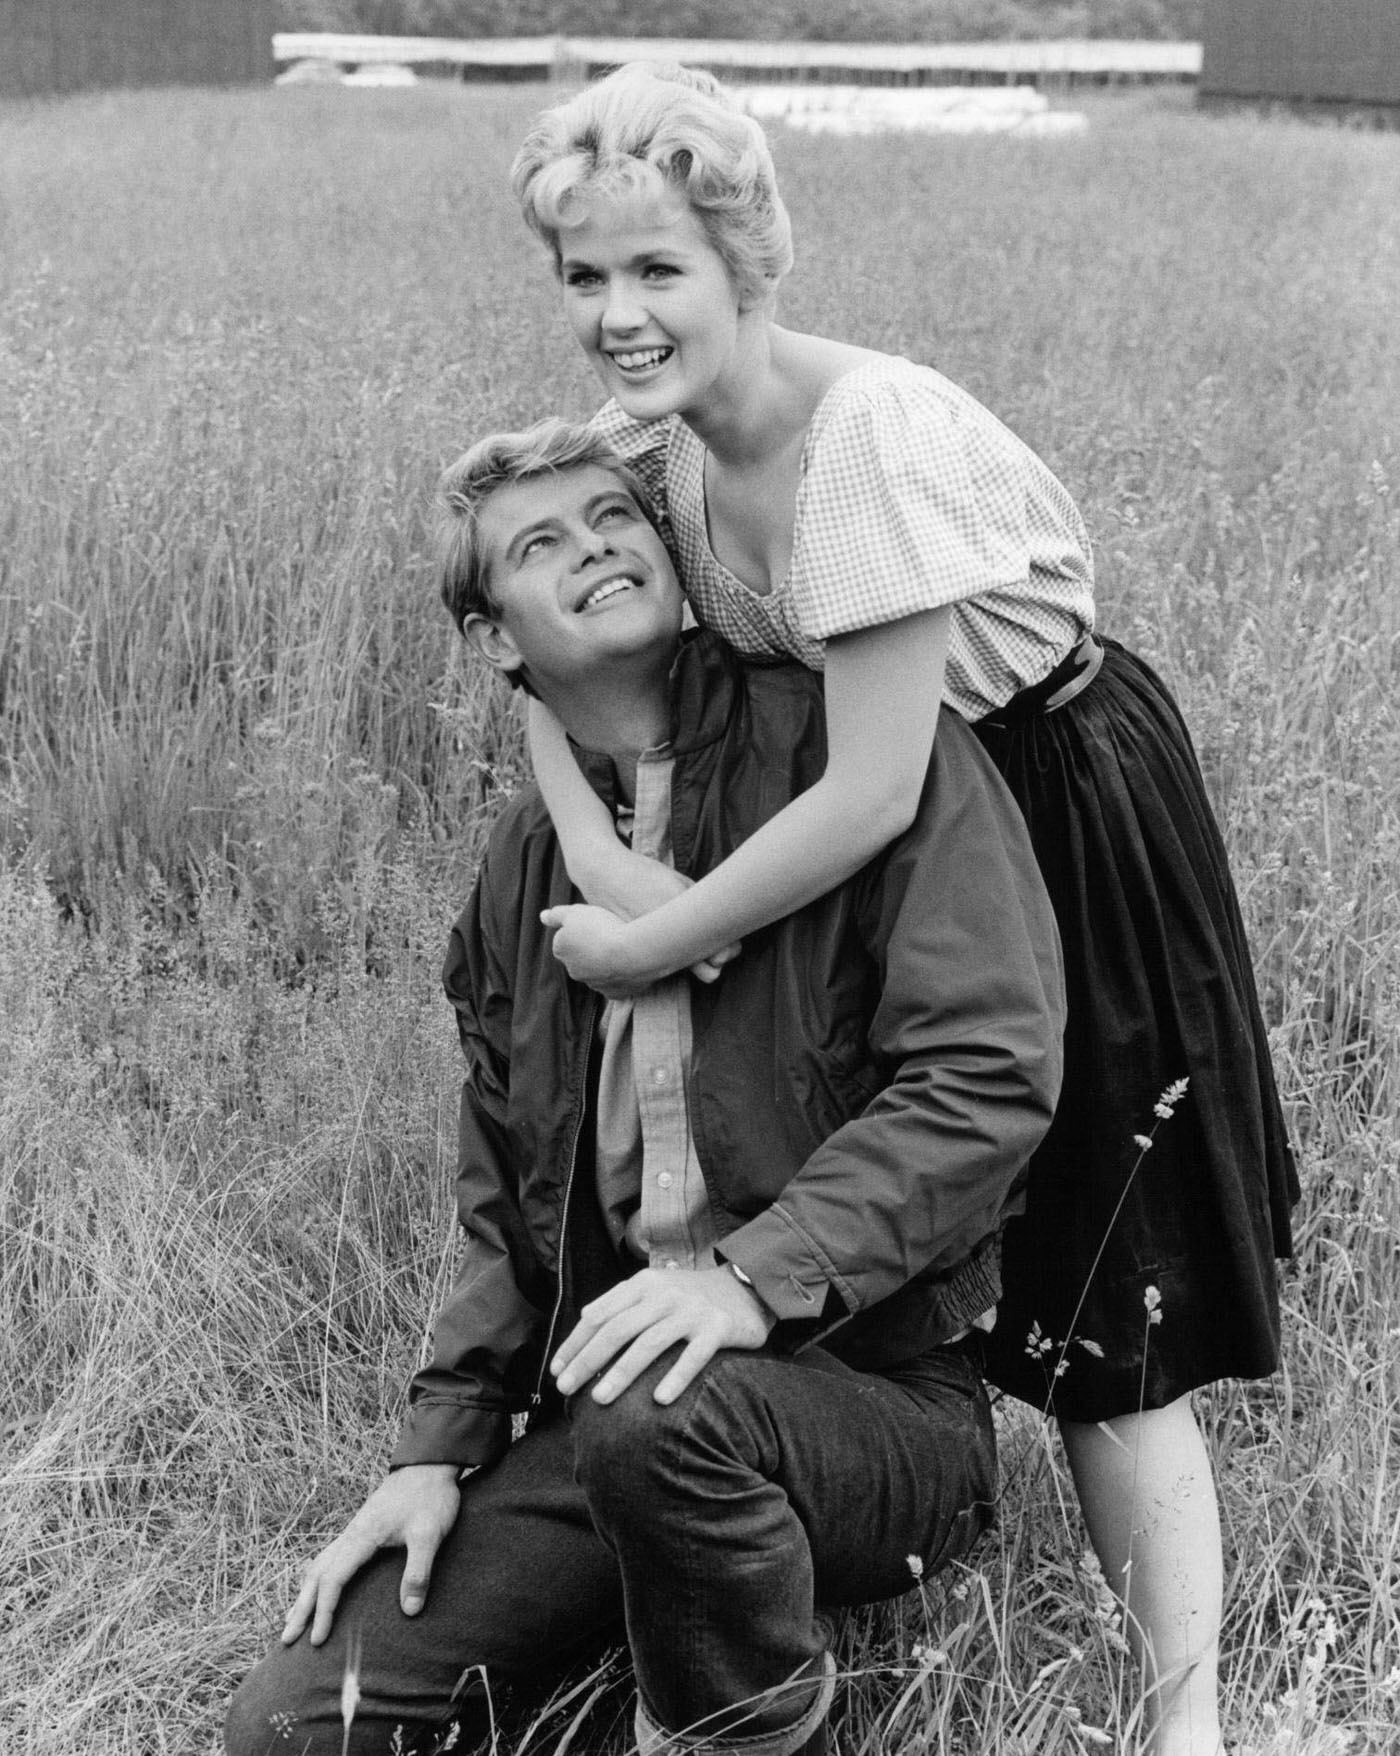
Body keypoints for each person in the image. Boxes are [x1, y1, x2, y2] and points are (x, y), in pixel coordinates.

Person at [509, 63, 1298, 1756]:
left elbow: (872, 788)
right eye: (586, 278)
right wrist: (595, 841)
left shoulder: (859, 441)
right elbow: (513, 619)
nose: (621, 316)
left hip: (1052, 797)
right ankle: (833, 1500)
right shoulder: (658, 453)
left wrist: (656, 937)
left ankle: (1189, 1725)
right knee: (912, 1214)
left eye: (660, 272)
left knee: (1105, 1289)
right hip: (908, 834)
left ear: (747, 264)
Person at [222, 420, 1066, 1756]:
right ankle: (667, 1575)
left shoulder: (859, 760)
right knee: (295, 1723)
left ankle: (742, 1721)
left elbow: (988, 1076)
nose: (597, 547)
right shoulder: (523, 869)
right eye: (540, 546)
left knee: (656, 1411)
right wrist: (438, 1447)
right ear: (496, 638)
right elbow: (501, 1186)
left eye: (616, 517)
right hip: (620, 1414)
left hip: (882, 1409)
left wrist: (749, 1280)